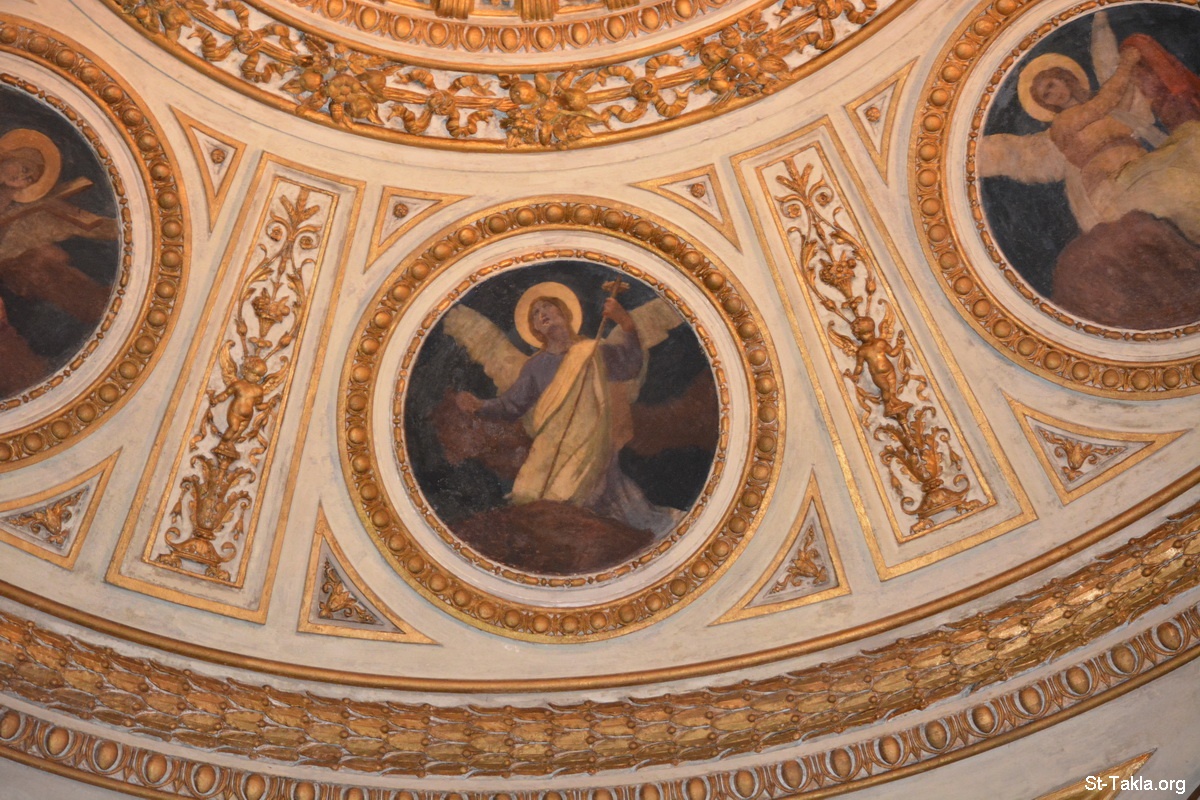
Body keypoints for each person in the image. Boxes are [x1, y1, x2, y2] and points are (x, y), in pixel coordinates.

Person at [454, 281, 679, 535]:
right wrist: (479, 405)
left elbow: (629, 366)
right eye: (535, 314)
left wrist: (625, 322)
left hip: (592, 448)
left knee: (606, 516)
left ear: (564, 312)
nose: (542, 314)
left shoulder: (592, 350)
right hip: (549, 452)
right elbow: (512, 404)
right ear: (535, 328)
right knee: (534, 506)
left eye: (547, 307)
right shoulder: (535, 367)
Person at [0, 128, 118, 396]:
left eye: (30, 177)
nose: (24, 178)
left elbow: (87, 222)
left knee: (39, 263)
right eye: (25, 167)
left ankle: (103, 311)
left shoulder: (20, 208)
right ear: (10, 155)